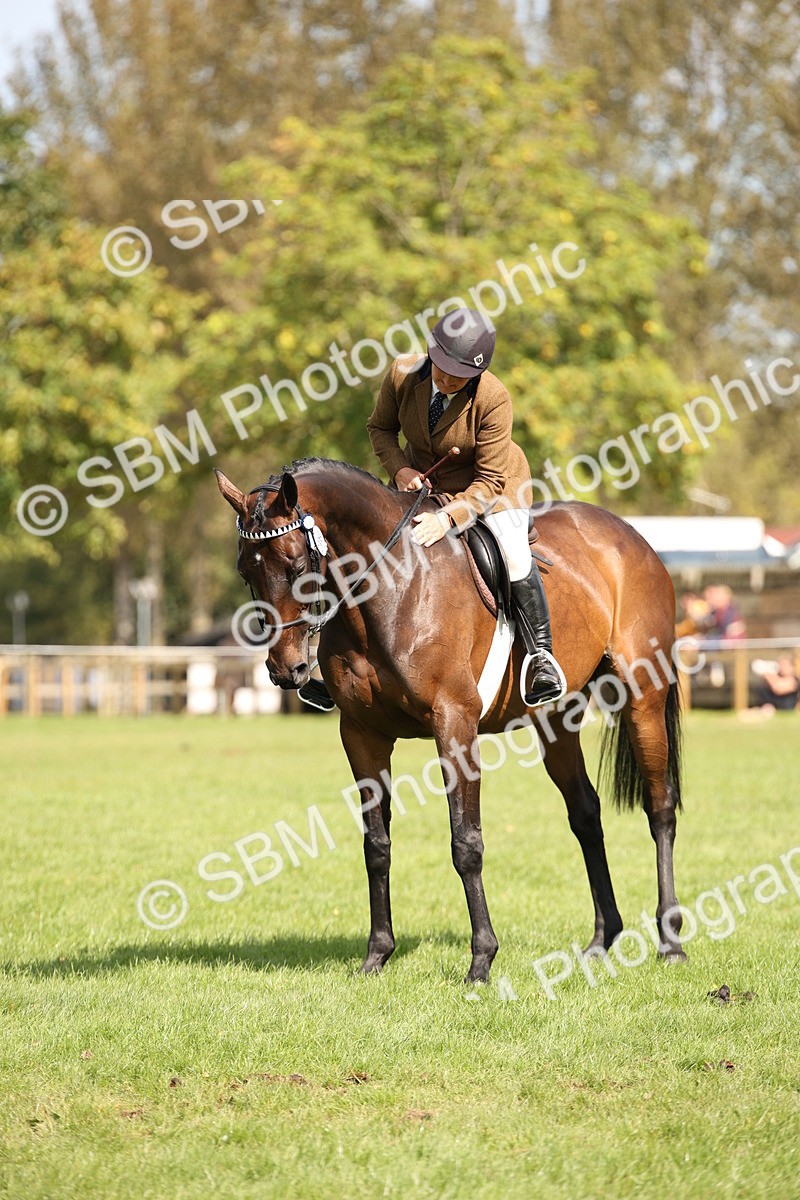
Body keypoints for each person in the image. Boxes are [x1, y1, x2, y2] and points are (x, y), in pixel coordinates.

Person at [366, 307, 566, 707]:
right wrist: (400, 469)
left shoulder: (494, 398)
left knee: (512, 552)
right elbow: (380, 428)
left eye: (458, 377)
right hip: (420, 480)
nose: (445, 380)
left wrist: (447, 518)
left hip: (493, 488)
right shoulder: (402, 373)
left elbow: (490, 482)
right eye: (441, 370)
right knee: (368, 542)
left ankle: (541, 656)